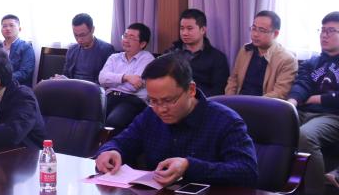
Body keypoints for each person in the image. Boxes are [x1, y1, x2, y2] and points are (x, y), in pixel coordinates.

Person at [95, 55, 258, 188]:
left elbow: (247, 172)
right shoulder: (151, 115)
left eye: (168, 100)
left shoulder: (226, 121)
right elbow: (122, 141)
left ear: (191, 90)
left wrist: (189, 166)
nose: (161, 109)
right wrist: (111, 151)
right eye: (153, 100)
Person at [286, 11, 339, 195]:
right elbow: (302, 84)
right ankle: (274, 185)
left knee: (305, 136)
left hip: (337, 117)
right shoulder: (313, 62)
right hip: (305, 112)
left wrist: (315, 98)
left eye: (331, 31)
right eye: (323, 30)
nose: (324, 35)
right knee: (273, 125)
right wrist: (291, 103)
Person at [224, 10, 298, 99]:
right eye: (254, 28)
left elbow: (279, 93)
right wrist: (230, 100)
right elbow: (233, 80)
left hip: (264, 105)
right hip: (238, 101)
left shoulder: (287, 60)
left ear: (275, 34)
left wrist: (252, 104)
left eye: (262, 30)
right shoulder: (245, 50)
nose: (255, 34)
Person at [98, 23, 156, 131]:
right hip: (109, 97)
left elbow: (134, 87)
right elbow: (102, 79)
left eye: (131, 38)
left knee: (113, 122)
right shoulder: (114, 57)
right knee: (91, 117)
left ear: (142, 44)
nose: (126, 40)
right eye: (125, 36)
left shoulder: (147, 59)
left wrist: (112, 82)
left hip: (132, 100)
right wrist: (126, 77)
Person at [163, 8, 230, 97]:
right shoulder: (171, 53)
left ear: (203, 30)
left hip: (203, 101)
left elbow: (218, 91)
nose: (184, 33)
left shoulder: (217, 58)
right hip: (173, 100)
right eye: (182, 28)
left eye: (189, 29)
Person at [58, 13, 115, 83]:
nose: (79, 39)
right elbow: (66, 74)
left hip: (93, 88)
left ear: (92, 30)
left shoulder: (106, 50)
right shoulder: (72, 50)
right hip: (71, 87)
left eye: (82, 35)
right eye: (76, 35)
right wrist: (61, 79)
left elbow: (107, 79)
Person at [0, 14, 34, 86]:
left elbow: (25, 73)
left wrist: (1, 79)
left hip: (16, 86)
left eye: (11, 25)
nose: (7, 28)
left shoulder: (26, 48)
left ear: (19, 29)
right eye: (4, 26)